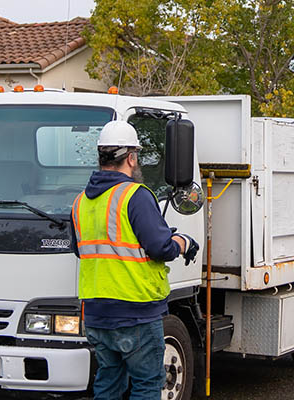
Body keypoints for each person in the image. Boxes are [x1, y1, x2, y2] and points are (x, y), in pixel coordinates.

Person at [72, 120, 200, 400]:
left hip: (96, 313)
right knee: (146, 385)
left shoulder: (81, 201)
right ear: (131, 157)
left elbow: (82, 249)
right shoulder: (135, 195)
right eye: (137, 157)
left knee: (108, 384)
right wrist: (181, 242)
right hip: (136, 312)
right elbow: (160, 248)